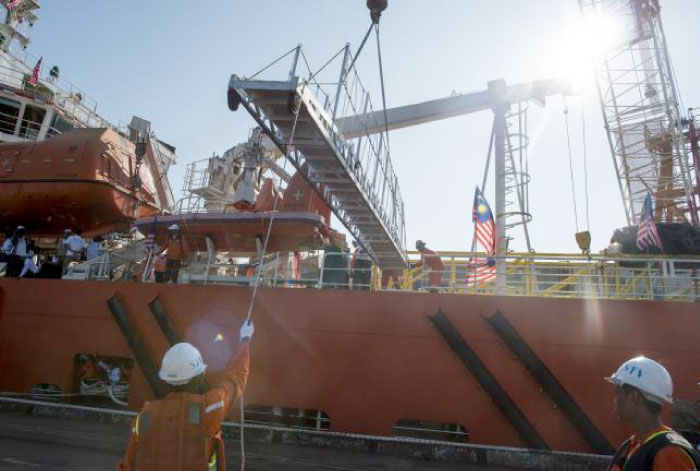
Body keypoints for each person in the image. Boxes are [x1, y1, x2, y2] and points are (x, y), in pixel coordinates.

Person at [117, 319, 254, 471]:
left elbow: (127, 466)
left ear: (165, 380)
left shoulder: (144, 416)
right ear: (199, 377)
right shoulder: (209, 408)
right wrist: (245, 340)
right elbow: (236, 379)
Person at [606, 356, 700, 471]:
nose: (615, 400)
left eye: (617, 393)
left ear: (634, 397)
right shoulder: (633, 444)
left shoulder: (669, 453)